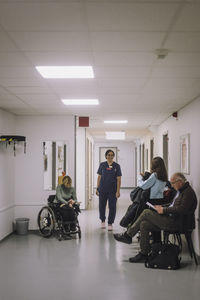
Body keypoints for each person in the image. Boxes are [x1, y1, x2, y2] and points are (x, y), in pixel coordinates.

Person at [114, 172, 197, 263]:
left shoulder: (188, 193)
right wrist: (161, 207)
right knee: (144, 224)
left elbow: (181, 210)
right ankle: (144, 253)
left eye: (173, 183)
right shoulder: (181, 191)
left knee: (146, 212)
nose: (172, 186)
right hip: (171, 218)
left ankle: (128, 235)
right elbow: (173, 205)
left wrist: (164, 210)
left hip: (176, 223)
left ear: (180, 182)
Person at [96, 149, 122, 231]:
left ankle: (110, 223)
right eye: (108, 155)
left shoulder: (117, 166)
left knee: (112, 207)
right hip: (102, 189)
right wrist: (97, 188)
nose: (110, 156)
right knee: (101, 206)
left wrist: (118, 191)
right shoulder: (102, 165)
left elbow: (119, 179)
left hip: (113, 190)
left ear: (113, 156)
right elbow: (99, 177)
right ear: (106, 156)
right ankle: (103, 220)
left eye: (111, 155)